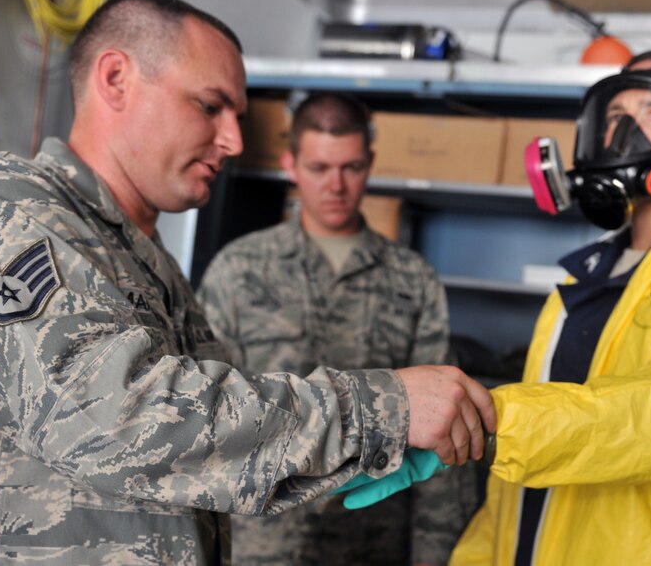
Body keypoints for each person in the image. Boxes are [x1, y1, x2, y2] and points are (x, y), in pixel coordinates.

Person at [0, 0, 496, 565]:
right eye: (210, 106)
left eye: (236, 115)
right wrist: (381, 410)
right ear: (115, 79)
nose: (234, 140)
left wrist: (382, 440)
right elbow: (106, 418)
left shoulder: (148, 266)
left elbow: (206, 465)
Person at [339, 48, 651, 566]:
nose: (627, 134)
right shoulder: (588, 275)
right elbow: (522, 492)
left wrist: (491, 420)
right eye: (617, 116)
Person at [199, 92, 480, 566]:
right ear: (291, 164)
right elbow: (206, 413)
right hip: (260, 545)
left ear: (370, 163)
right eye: (319, 168)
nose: (336, 185)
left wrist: (436, 553)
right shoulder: (238, 269)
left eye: (350, 167)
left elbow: (445, 433)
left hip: (372, 541)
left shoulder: (413, 280)